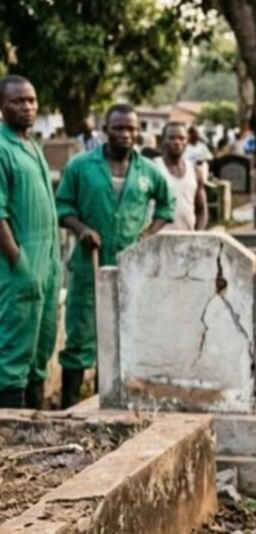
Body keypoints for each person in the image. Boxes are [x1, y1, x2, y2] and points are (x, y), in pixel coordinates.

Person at [56, 103, 176, 408]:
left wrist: (147, 235)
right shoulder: (81, 166)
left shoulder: (148, 171)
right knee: (81, 334)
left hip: (130, 268)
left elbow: (166, 206)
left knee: (125, 333)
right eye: (119, 128)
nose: (125, 134)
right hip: (89, 266)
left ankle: (107, 401)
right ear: (106, 130)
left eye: (131, 128)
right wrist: (81, 229)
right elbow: (63, 207)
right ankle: (69, 404)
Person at [0, 75, 62, 409]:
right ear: (1, 106)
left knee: (41, 347)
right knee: (14, 351)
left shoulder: (32, 145)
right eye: (17, 101)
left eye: (31, 100)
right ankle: (9, 430)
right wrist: (18, 262)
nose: (27, 107)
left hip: (48, 265)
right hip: (19, 266)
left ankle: (38, 423)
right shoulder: (1, 147)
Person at [155, 122, 209, 231]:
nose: (177, 142)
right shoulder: (153, 168)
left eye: (182, 138)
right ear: (163, 141)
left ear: (187, 141)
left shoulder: (194, 171)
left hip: (186, 239)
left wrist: (198, 234)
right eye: (172, 138)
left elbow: (201, 208)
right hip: (156, 240)